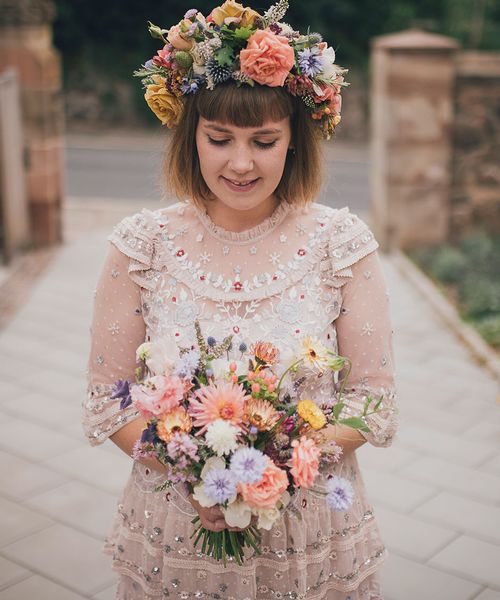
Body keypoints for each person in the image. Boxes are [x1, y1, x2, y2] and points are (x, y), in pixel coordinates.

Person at [83, 2, 398, 598]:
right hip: (175, 524)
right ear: (190, 137)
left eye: (265, 140)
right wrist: (197, 473)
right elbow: (110, 400)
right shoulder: (139, 247)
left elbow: (373, 400)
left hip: (310, 528)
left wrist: (274, 470)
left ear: (294, 142)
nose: (241, 162)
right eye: (220, 138)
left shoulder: (342, 245)